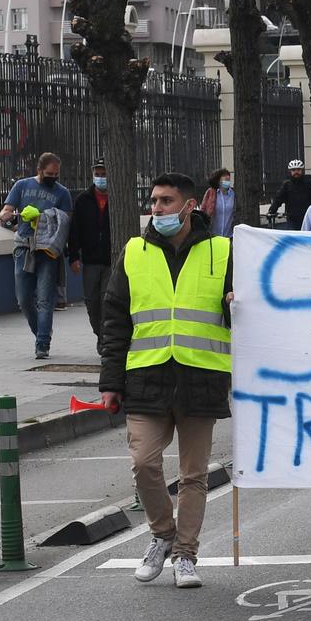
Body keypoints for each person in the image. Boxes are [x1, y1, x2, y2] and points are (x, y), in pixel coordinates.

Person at [98, 171, 232, 589]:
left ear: (190, 206)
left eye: (166, 202)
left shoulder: (223, 251)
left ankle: (185, 555)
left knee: (194, 475)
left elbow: (247, 312)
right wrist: (110, 382)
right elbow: (115, 318)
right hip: (146, 377)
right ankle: (162, 534)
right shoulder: (134, 252)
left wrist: (235, 303)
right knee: (143, 464)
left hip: (200, 377)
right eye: (154, 201)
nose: (156, 209)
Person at [0, 151, 73, 360]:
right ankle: (40, 331)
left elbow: (66, 220)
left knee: (44, 298)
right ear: (39, 171)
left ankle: (42, 343)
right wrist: (9, 215)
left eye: (57, 174)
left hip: (47, 249)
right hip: (24, 246)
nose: (53, 177)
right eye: (50, 173)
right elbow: (6, 211)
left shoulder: (62, 193)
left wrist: (42, 217)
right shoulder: (22, 186)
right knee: (24, 299)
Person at [69, 159, 113, 347]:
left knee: (106, 301)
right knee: (92, 301)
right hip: (91, 260)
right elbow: (75, 230)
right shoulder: (83, 200)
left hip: (111, 259)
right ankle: (99, 333)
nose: (101, 178)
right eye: (98, 174)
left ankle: (105, 340)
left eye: (104, 174)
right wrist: (73, 256)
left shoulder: (117, 198)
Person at [268, 159, 311, 229]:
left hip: (307, 218)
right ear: (290, 172)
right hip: (292, 220)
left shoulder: (309, 184)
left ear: (302, 171)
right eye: (293, 170)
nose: (296, 172)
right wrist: (272, 210)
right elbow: (278, 199)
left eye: (298, 170)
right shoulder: (286, 185)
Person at [198, 168, 238, 238]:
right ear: (218, 181)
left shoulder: (234, 194)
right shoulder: (210, 193)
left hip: (229, 236)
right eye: (225, 180)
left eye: (228, 180)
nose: (227, 182)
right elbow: (203, 210)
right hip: (213, 235)